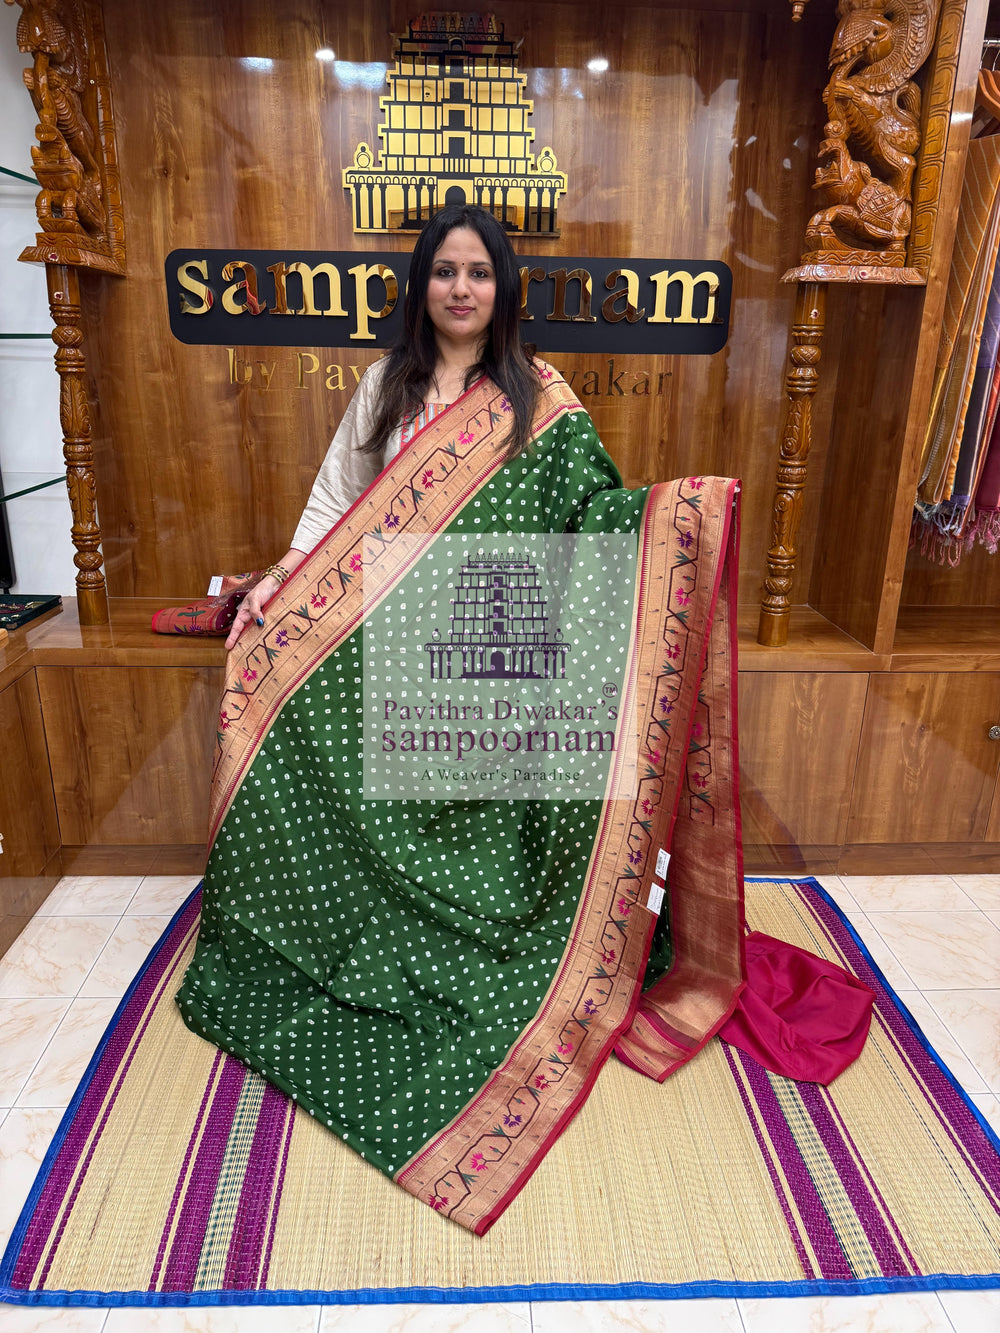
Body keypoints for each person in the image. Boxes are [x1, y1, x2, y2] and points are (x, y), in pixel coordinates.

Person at [177, 205, 744, 1236]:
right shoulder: (385, 385)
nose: (461, 288)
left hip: (492, 643)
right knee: (261, 671)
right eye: (444, 271)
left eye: (478, 272)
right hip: (384, 634)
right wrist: (281, 584)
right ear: (422, 284)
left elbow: (590, 517)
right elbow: (333, 507)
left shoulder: (539, 398)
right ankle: (325, 920)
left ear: (503, 286)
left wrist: (680, 518)